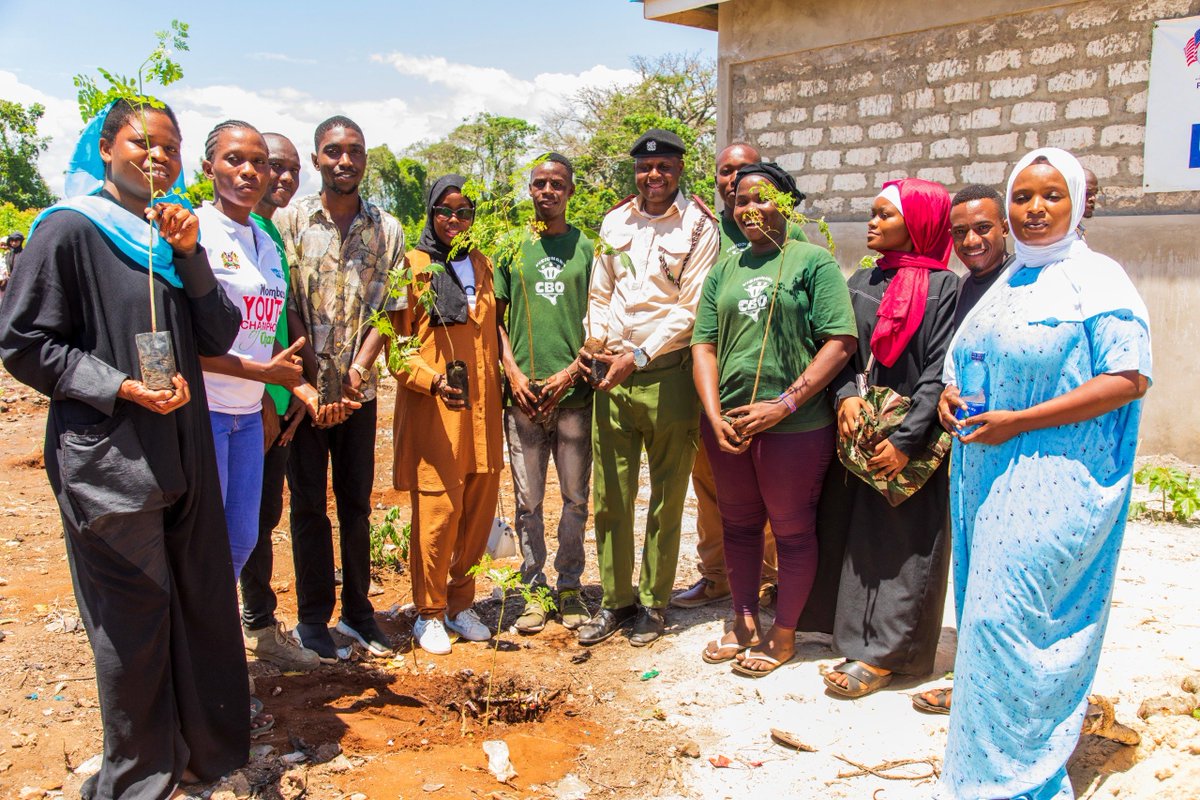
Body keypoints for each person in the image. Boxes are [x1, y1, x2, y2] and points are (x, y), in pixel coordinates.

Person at [0, 98, 248, 798]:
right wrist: (117, 386)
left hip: (182, 453)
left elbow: (219, 336)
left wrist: (193, 254)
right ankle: (138, 777)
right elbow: (24, 343)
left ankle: (203, 751)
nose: (156, 156)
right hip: (110, 459)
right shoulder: (70, 230)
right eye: (141, 143)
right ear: (106, 148)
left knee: (197, 604)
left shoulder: (169, 238)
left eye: (169, 146)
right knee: (132, 622)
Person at [934, 148, 1151, 800]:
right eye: (1022, 197)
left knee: (1013, 624)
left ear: (1079, 204)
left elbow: (1128, 377)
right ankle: (984, 770)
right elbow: (965, 360)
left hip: (1056, 483)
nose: (1032, 210)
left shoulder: (1099, 280)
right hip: (989, 480)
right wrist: (949, 396)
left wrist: (1019, 420)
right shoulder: (1010, 281)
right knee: (985, 627)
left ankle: (1020, 781)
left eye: (1050, 196)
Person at [691, 162, 856, 675]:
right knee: (738, 527)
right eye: (739, 201)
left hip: (794, 429)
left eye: (760, 198)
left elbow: (840, 342)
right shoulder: (726, 267)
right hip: (730, 427)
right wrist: (715, 415)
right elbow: (704, 344)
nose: (748, 210)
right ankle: (743, 623)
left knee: (791, 531)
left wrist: (783, 404)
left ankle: (783, 635)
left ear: (785, 203)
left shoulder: (812, 262)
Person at [577, 128, 719, 647]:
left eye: (663, 167)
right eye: (644, 167)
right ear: (635, 171)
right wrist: (595, 341)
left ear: (680, 170)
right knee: (609, 495)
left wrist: (635, 357)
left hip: (667, 374)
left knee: (665, 496)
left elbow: (689, 309)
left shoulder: (700, 227)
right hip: (608, 375)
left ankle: (655, 604)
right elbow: (600, 288)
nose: (653, 176)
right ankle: (617, 601)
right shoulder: (615, 220)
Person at [275, 116, 407, 662]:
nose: (344, 161)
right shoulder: (288, 221)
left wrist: (354, 375)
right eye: (333, 151)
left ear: (365, 159)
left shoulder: (387, 229)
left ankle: (359, 610)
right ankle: (311, 619)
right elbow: (282, 302)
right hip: (304, 397)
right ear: (316, 159)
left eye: (354, 151)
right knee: (308, 507)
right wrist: (313, 380)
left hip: (359, 395)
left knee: (356, 505)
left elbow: (389, 310)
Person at [824, 177, 958, 698]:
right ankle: (856, 640)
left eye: (886, 214)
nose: (872, 222)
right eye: (873, 213)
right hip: (861, 427)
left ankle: (890, 655)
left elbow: (938, 368)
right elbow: (840, 346)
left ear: (919, 223)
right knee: (861, 536)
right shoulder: (863, 278)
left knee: (905, 542)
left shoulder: (945, 288)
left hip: (912, 434)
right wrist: (845, 397)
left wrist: (906, 440)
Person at [674, 141, 798, 610]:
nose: (735, 182)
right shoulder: (702, 234)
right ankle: (715, 576)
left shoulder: (790, 239)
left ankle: (769, 579)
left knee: (767, 494)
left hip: (770, 394)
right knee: (709, 489)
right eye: (727, 173)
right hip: (710, 388)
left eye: (745, 172)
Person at [392, 174, 503, 654]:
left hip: (485, 409)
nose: (455, 220)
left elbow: (492, 335)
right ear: (430, 214)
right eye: (445, 211)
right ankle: (430, 612)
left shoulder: (482, 264)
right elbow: (397, 349)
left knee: (478, 507)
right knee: (438, 510)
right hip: (437, 409)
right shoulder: (413, 267)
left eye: (464, 212)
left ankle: (461, 605)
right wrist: (432, 380)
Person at [912, 182, 1011, 715]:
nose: (971, 241)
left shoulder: (1019, 283)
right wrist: (947, 395)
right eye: (960, 233)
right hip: (967, 444)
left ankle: (995, 684)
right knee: (971, 562)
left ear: (1005, 230)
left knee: (1005, 566)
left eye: (983, 229)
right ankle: (974, 677)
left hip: (1017, 445)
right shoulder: (958, 289)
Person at [496, 154, 594, 634]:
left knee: (576, 497)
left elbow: (602, 321)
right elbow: (495, 319)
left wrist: (571, 372)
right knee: (528, 501)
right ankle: (534, 589)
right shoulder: (511, 248)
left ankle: (571, 585)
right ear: (529, 190)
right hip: (524, 399)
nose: (547, 191)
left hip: (574, 397)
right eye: (539, 183)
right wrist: (512, 373)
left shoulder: (588, 249)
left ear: (570, 191)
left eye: (557, 183)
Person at [239, 132, 323, 672]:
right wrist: (263, 396)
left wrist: (294, 393)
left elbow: (278, 324)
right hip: (239, 405)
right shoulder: (226, 232)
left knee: (264, 515)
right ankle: (250, 628)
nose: (283, 178)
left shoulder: (270, 235)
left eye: (291, 170)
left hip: (275, 404)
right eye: (273, 166)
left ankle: (260, 628)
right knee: (236, 521)